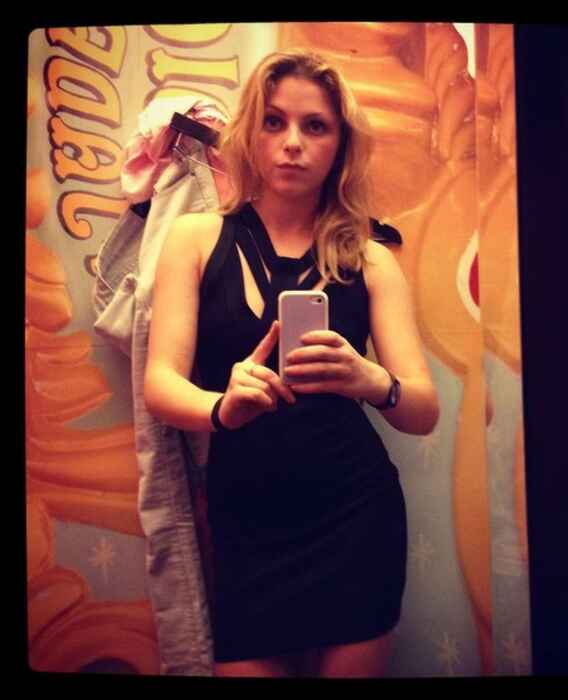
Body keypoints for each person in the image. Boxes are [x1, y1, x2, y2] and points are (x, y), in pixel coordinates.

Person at [143, 49, 440, 678]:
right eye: (274, 121)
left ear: (340, 145)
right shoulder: (195, 238)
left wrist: (371, 380)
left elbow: (423, 411)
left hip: (354, 517)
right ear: (250, 132)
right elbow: (160, 385)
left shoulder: (371, 258)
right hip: (246, 520)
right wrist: (221, 407)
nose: (293, 143)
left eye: (316, 126)